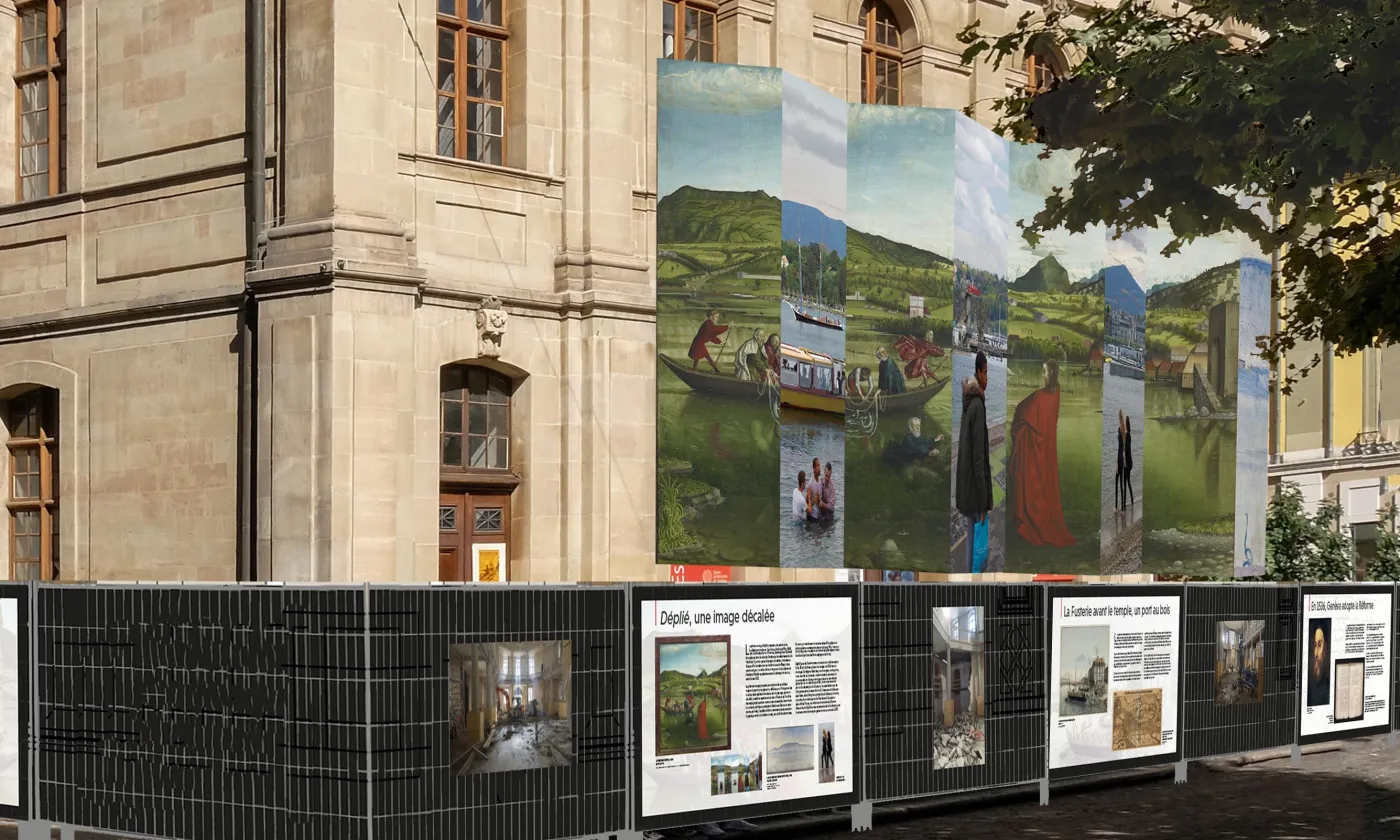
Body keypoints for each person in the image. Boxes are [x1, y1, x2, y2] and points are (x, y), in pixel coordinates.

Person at [1008, 356, 1075, 547]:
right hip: (1045, 450)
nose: (1042, 375)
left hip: (1037, 451)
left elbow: (1024, 410)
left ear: (1052, 373)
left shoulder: (1040, 397)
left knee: (1026, 478)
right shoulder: (1055, 393)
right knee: (1043, 483)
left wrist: (1019, 409)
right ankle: (1037, 518)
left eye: (1044, 371)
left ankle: (1030, 521)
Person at [955, 352, 993, 570]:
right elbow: (978, 457)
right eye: (986, 372)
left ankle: (969, 577)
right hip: (975, 489)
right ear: (978, 372)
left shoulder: (969, 402)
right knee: (976, 544)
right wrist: (983, 502)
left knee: (971, 536)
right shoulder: (977, 405)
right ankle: (973, 579)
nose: (987, 378)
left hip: (966, 485)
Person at [1120, 415, 1135, 510]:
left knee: (1125, 483)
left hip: (1127, 463)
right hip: (1130, 462)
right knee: (1128, 482)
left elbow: (1128, 449)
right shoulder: (1129, 435)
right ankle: (1132, 500)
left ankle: (1124, 505)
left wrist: (1124, 449)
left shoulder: (1127, 436)